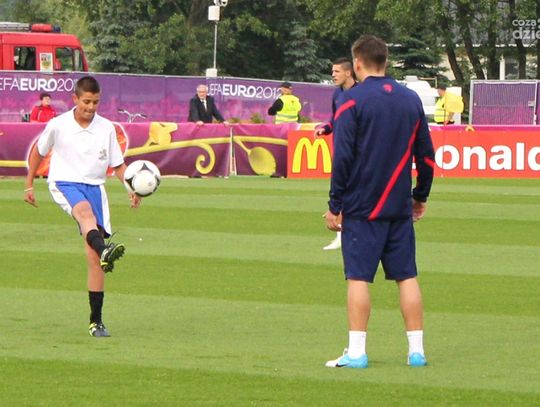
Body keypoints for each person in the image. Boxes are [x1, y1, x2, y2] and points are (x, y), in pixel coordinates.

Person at [324, 35, 434, 369]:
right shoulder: (411, 100)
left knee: (358, 277)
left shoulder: (351, 100)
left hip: (362, 205)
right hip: (398, 205)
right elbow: (426, 157)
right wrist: (420, 196)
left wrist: (335, 203)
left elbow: (343, 157)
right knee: (407, 276)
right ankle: (417, 352)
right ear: (385, 61)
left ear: (357, 63)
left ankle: (357, 352)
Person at [24, 76, 141, 338]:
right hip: (65, 183)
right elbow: (38, 151)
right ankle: (105, 249)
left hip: (95, 187)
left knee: (95, 259)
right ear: (75, 99)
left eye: (95, 102)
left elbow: (117, 165)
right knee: (84, 212)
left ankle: (96, 321)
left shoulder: (106, 128)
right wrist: (28, 184)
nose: (90, 107)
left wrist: (132, 187)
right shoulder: (58, 124)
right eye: (86, 101)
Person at [314, 57, 357, 251]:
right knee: (343, 191)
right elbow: (335, 118)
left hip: (357, 153)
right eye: (332, 71)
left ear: (348, 72)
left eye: (337, 71)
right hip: (341, 149)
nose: (333, 75)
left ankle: (349, 234)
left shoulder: (360, 94)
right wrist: (326, 128)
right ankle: (342, 234)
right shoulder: (337, 94)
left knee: (352, 193)